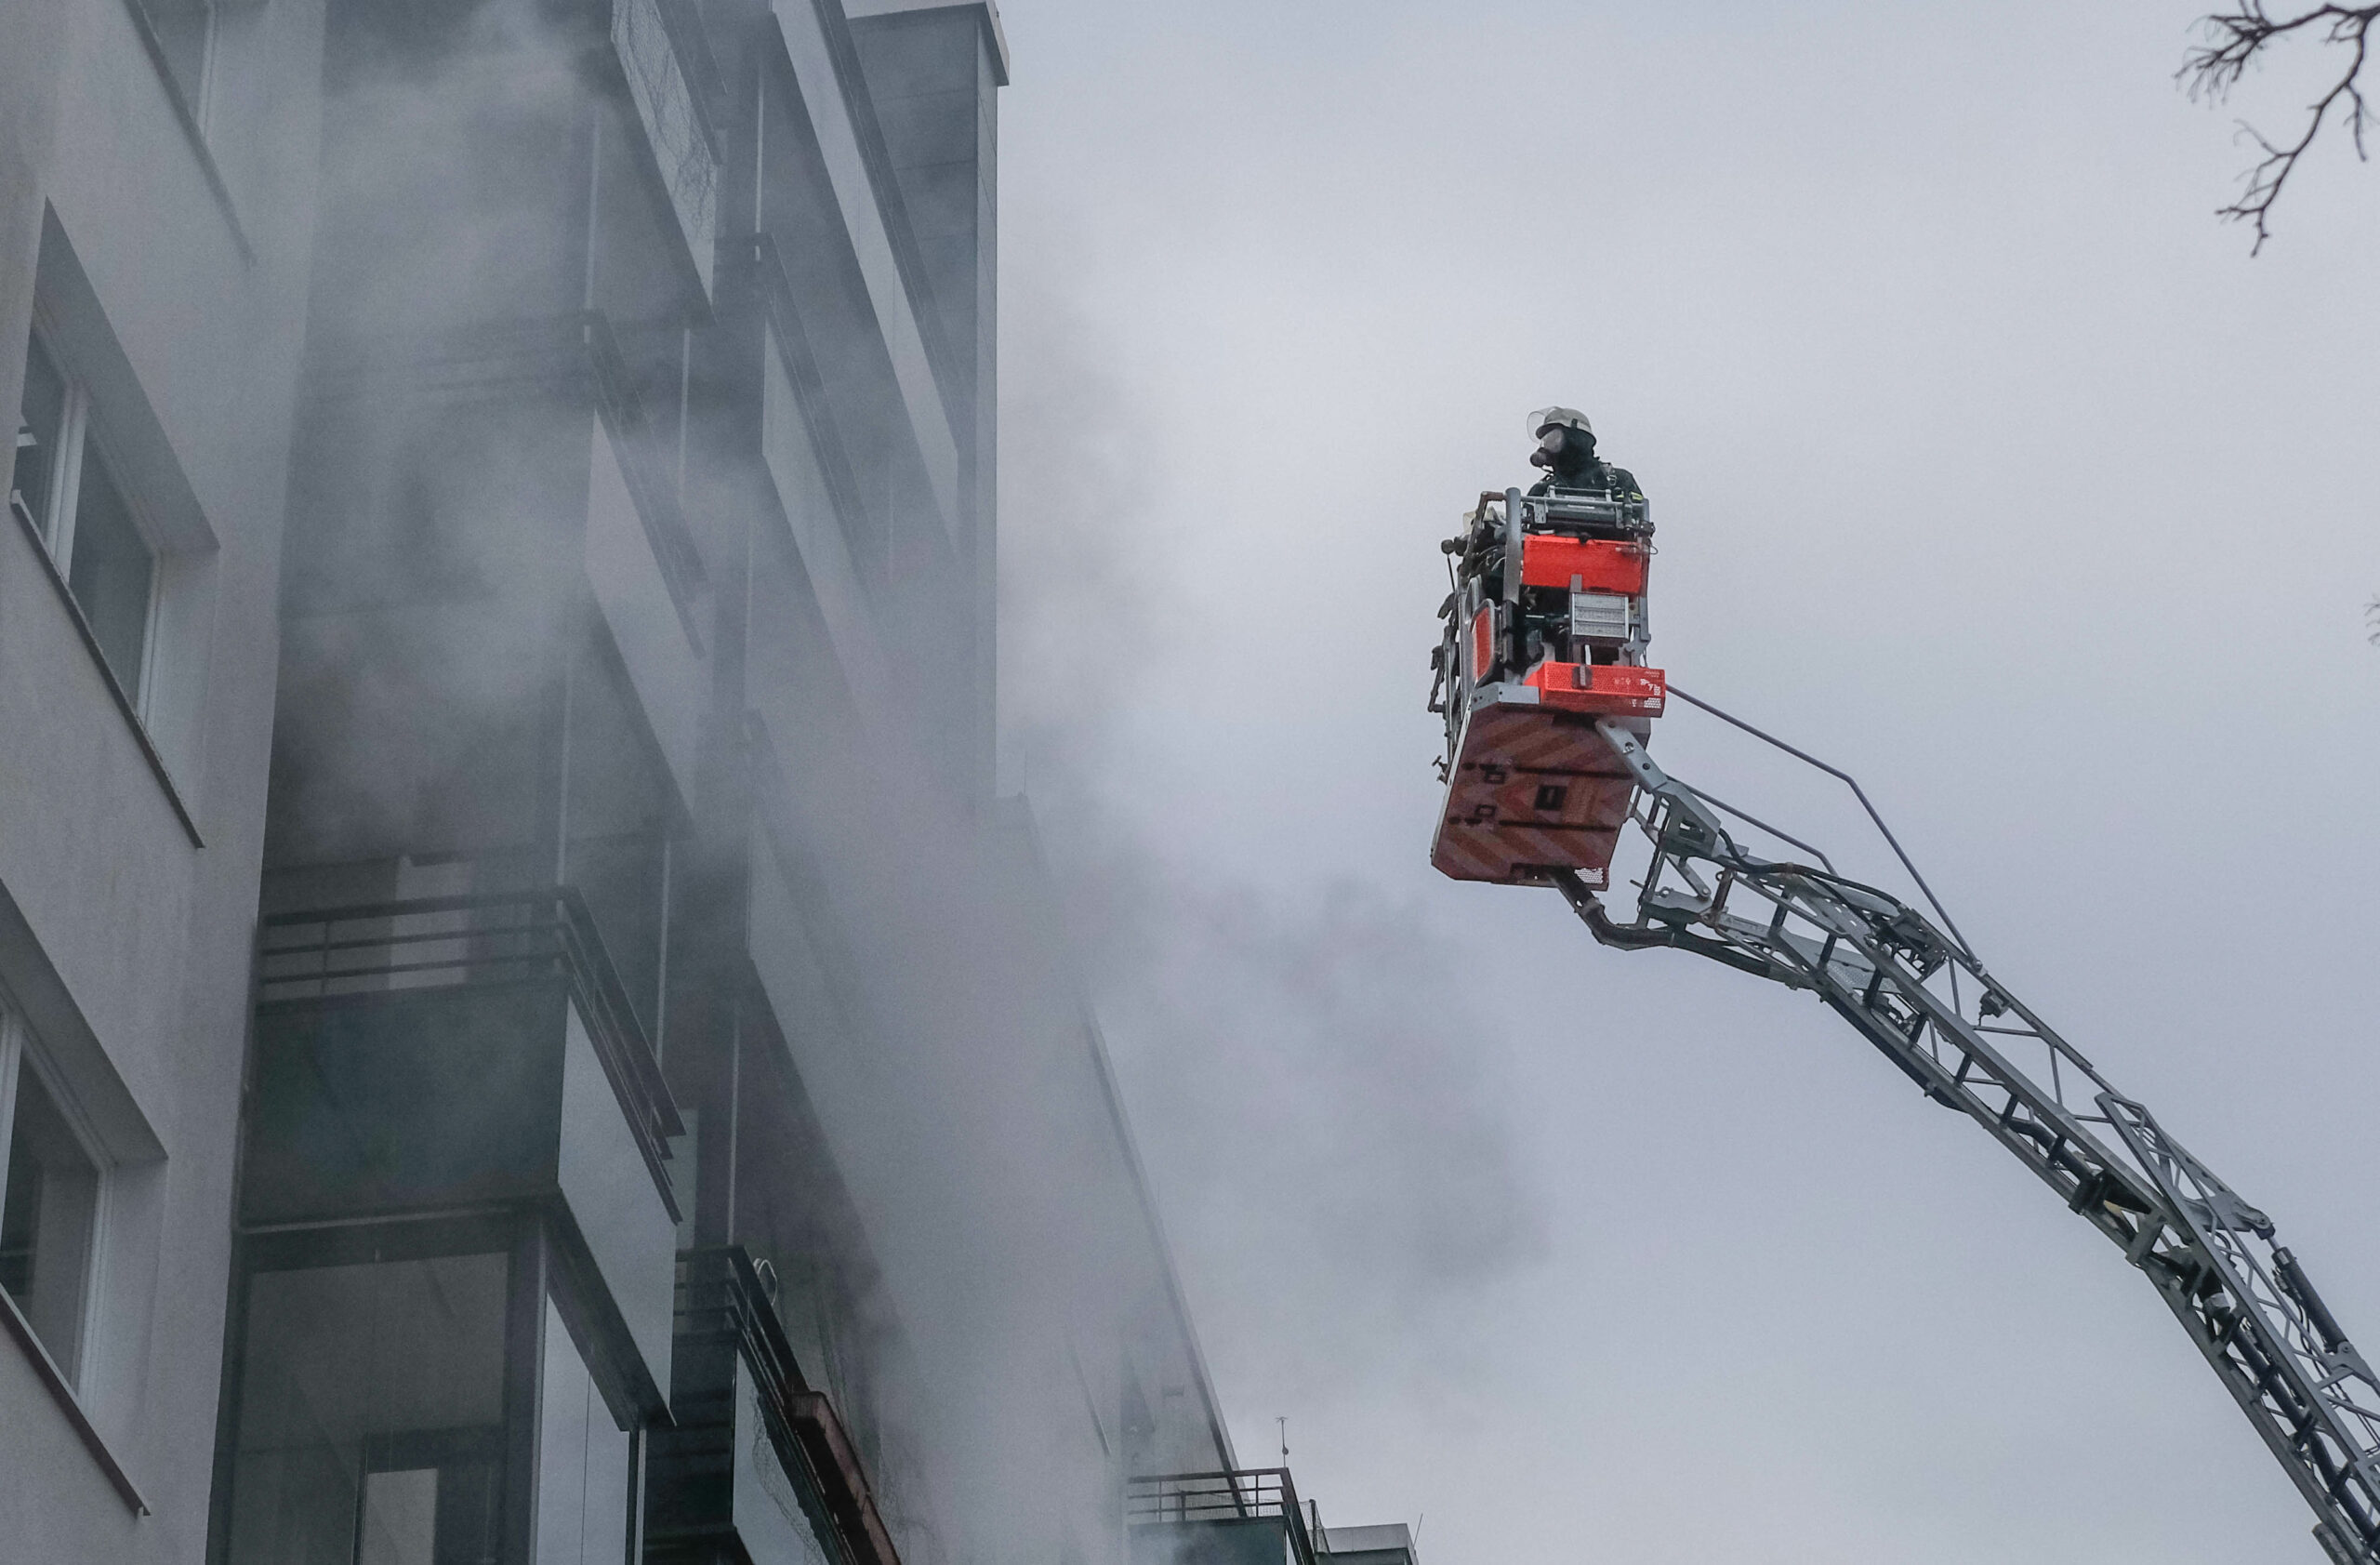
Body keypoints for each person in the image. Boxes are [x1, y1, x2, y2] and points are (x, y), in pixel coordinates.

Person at [1525, 406, 1642, 502]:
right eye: (1546, 440)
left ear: (1576, 438)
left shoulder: (1618, 481)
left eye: (1554, 438)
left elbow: (1638, 523)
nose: (1547, 446)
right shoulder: (1540, 491)